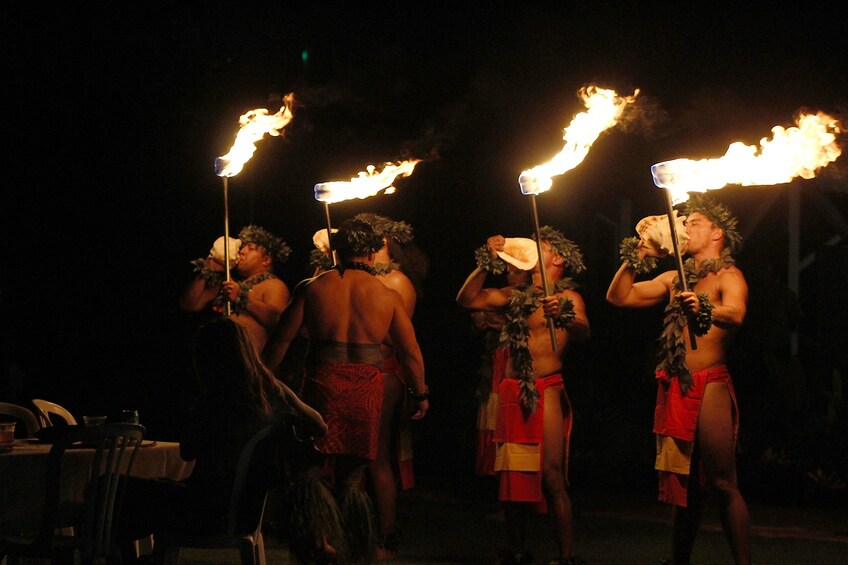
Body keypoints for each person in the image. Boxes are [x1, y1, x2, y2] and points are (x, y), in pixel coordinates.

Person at [264, 218, 429, 564]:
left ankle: (320, 540)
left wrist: (264, 383)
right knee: (353, 473)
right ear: (371, 252)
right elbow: (410, 353)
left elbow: (281, 342)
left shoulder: (313, 287)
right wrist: (420, 393)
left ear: (337, 250)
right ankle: (354, 545)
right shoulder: (386, 295)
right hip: (366, 387)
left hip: (323, 382)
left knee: (311, 465)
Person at [606, 194, 751, 565]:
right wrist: (637, 257)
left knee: (722, 482)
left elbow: (735, 314)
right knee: (682, 485)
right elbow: (619, 297)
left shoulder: (728, 276)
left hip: (710, 382)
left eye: (695, 223)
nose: (686, 228)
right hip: (675, 385)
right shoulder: (673, 278)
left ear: (717, 233)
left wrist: (704, 306)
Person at [118, 317, 327, 562]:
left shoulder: (214, 403)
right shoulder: (271, 392)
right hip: (245, 513)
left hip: (205, 511)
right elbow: (319, 426)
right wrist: (281, 416)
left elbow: (187, 451)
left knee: (112, 489)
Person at [456, 227, 590, 565]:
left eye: (541, 247)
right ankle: (515, 550)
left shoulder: (569, 299)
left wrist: (564, 315)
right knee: (513, 475)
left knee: (552, 476)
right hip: (513, 389)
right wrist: (487, 260)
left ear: (558, 258)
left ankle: (566, 555)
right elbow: (467, 299)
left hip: (546, 387)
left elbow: (584, 331)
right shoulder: (514, 294)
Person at [179, 224, 292, 352]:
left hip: (249, 363)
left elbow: (279, 321)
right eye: (243, 247)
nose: (242, 251)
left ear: (266, 260)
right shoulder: (228, 283)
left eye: (251, 249)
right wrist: (207, 268)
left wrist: (241, 297)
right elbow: (190, 305)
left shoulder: (274, 285)